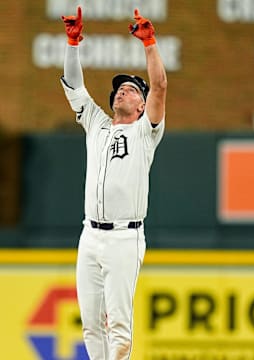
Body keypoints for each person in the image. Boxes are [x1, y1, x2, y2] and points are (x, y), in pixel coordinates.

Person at [60, 6, 167, 359]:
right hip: (89, 234)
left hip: (124, 236)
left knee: (118, 325)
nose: (123, 91)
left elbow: (161, 86)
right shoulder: (97, 123)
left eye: (132, 90)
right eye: (119, 89)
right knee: (91, 324)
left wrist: (149, 43)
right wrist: (72, 43)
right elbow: (74, 85)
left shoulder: (144, 132)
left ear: (141, 105)